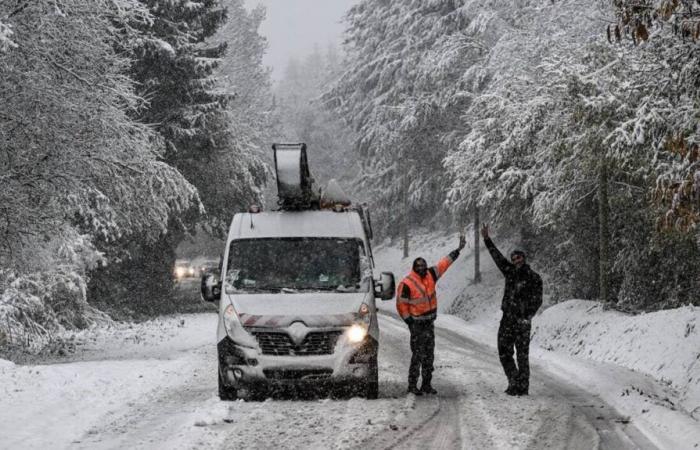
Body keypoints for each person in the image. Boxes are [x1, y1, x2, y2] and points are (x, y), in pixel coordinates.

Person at [396, 235, 466, 395]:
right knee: (417, 356)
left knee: (429, 356)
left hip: (429, 324)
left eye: (423, 265)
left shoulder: (431, 274)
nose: (422, 268)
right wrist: (410, 322)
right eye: (419, 266)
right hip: (417, 325)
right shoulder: (407, 283)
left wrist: (458, 251)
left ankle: (426, 384)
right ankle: (412, 385)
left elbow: (444, 263)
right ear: (414, 267)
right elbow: (401, 304)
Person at [481, 224, 542, 396]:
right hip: (507, 319)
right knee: (504, 351)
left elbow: (538, 300)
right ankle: (514, 381)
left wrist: (527, 316)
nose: (516, 261)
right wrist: (487, 239)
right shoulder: (509, 272)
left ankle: (523, 387)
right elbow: (497, 257)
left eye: (519, 258)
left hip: (522, 321)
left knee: (522, 355)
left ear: (524, 259)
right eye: (514, 259)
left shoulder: (534, 278)